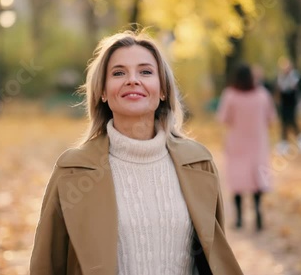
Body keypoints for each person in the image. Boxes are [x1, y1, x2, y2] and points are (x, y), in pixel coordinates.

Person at [29, 30, 243, 275]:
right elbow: (47, 266)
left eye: (146, 72)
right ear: (103, 91)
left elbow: (212, 259)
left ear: (162, 90)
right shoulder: (73, 170)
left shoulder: (198, 163)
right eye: (118, 73)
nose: (132, 80)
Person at [216, 63, 277, 231]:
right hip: (257, 143)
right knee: (257, 178)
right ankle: (258, 210)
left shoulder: (230, 95)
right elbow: (271, 118)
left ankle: (239, 218)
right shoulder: (262, 95)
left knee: (237, 179)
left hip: (237, 142)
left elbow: (223, 119)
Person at [275, 58, 301, 154]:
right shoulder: (281, 77)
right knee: (284, 123)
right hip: (284, 103)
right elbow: (279, 91)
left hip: (292, 103)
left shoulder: (296, 77)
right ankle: (284, 144)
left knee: (292, 121)